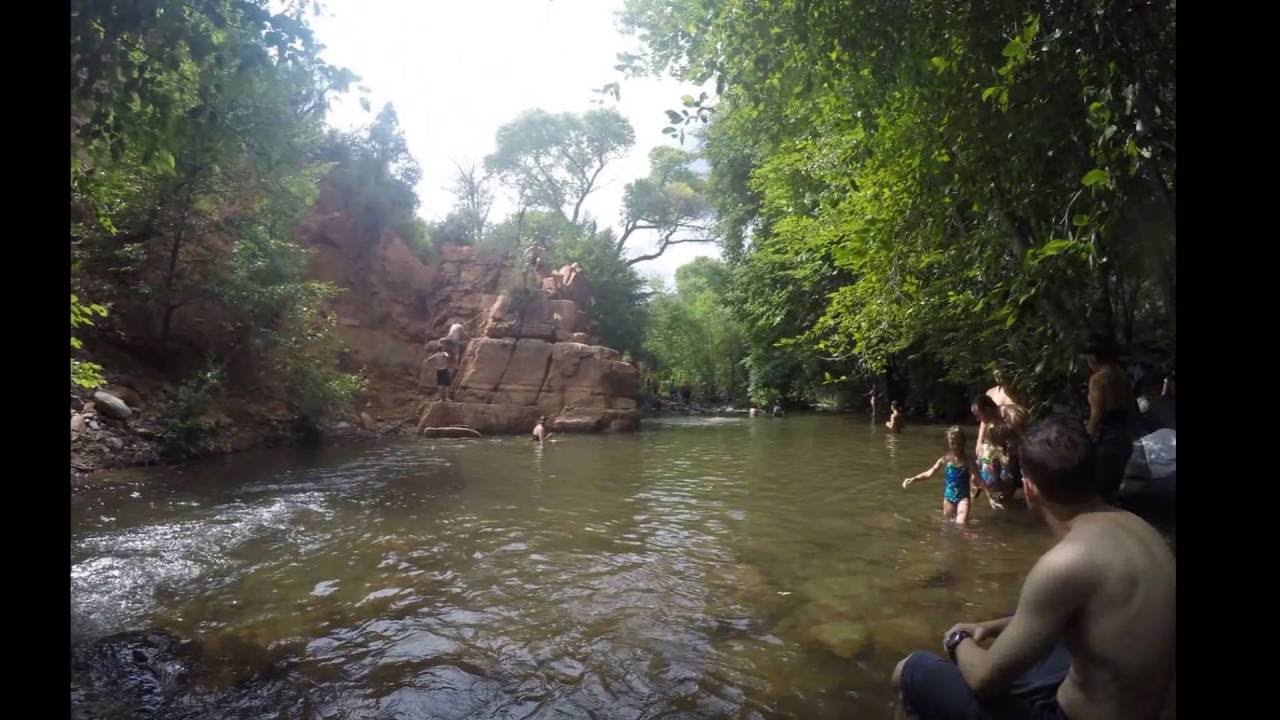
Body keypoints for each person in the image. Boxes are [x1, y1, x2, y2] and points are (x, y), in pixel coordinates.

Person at [892, 416, 1175, 720]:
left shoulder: (1066, 562)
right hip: (1143, 706)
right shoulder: (1142, 530)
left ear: (1029, 488)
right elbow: (1080, 615)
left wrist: (959, 639)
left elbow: (983, 680)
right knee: (1040, 654)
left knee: (910, 671)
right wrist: (991, 625)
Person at [1085, 339, 1135, 500]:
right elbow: (1132, 407)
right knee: (1114, 488)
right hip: (1125, 436)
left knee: (1099, 490)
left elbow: (1096, 414)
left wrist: (1087, 438)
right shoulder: (1123, 375)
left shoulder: (1098, 379)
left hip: (1106, 437)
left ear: (1093, 358)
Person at [902, 426, 980, 525]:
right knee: (950, 524)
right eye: (953, 443)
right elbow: (929, 473)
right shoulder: (945, 460)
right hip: (948, 497)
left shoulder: (968, 461)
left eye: (959, 443)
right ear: (948, 443)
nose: (956, 446)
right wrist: (914, 479)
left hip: (963, 497)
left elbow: (979, 479)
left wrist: (990, 494)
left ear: (964, 442)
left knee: (961, 523)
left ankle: (967, 535)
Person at [969, 396, 1007, 509]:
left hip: (998, 457)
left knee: (995, 479)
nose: (977, 419)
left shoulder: (1005, 418)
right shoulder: (989, 422)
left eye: (979, 415)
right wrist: (980, 443)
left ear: (987, 409)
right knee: (978, 474)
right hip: (990, 456)